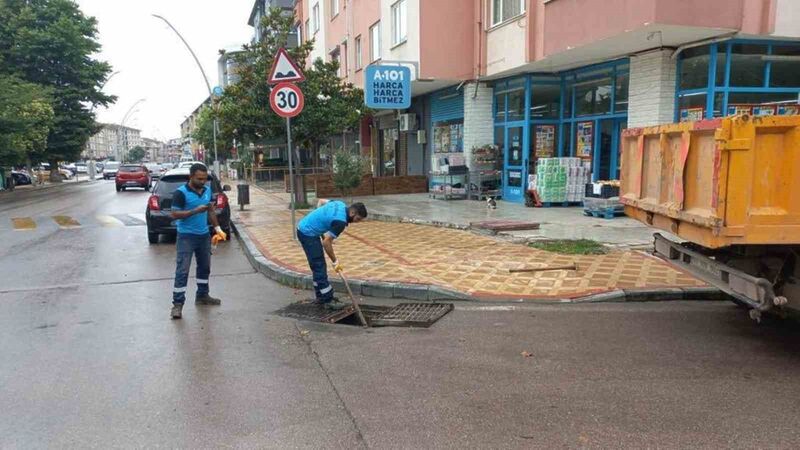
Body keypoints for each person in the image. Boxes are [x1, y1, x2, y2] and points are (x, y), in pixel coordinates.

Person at [169, 163, 227, 319]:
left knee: (205, 267)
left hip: (203, 236)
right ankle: (177, 305)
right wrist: (195, 211)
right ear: (191, 176)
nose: (203, 182)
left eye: (204, 179)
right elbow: (174, 214)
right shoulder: (180, 193)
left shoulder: (207, 191)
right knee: (183, 270)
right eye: (199, 179)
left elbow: (210, 211)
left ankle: (202, 296)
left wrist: (218, 229)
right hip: (186, 236)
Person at [297, 199, 368, 309]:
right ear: (352, 213)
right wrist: (335, 261)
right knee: (319, 266)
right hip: (307, 233)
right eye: (357, 219)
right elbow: (326, 243)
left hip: (305, 227)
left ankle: (320, 297)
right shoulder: (340, 222)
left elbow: (321, 201)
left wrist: (319, 218)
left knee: (317, 266)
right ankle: (328, 300)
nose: (356, 222)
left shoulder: (339, 204)